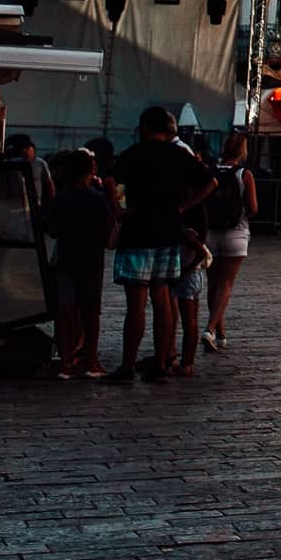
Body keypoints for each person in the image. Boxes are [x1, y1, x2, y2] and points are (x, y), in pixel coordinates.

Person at [107, 105, 214, 383]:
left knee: (136, 304)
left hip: (138, 231)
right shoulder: (179, 155)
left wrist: (118, 212)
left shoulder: (134, 154)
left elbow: (110, 180)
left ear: (144, 127)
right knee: (163, 299)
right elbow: (210, 182)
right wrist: (183, 207)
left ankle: (128, 366)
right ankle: (160, 363)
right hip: (169, 232)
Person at [48, 147, 114, 379]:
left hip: (66, 259)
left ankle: (65, 360)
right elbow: (107, 231)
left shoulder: (61, 198)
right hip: (91, 261)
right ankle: (90, 360)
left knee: (65, 312)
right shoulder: (98, 199)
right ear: (91, 170)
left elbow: (53, 230)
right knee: (90, 312)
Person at [201, 134, 255, 354]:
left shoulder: (210, 171)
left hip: (211, 232)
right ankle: (211, 329)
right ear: (242, 151)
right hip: (236, 232)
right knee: (226, 284)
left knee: (213, 285)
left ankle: (220, 333)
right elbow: (253, 208)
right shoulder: (244, 174)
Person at [170, 228, 212, 377]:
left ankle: (187, 363)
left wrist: (184, 270)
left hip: (188, 278)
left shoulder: (186, 233)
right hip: (195, 276)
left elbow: (201, 253)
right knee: (192, 321)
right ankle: (188, 362)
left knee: (189, 322)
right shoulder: (193, 232)